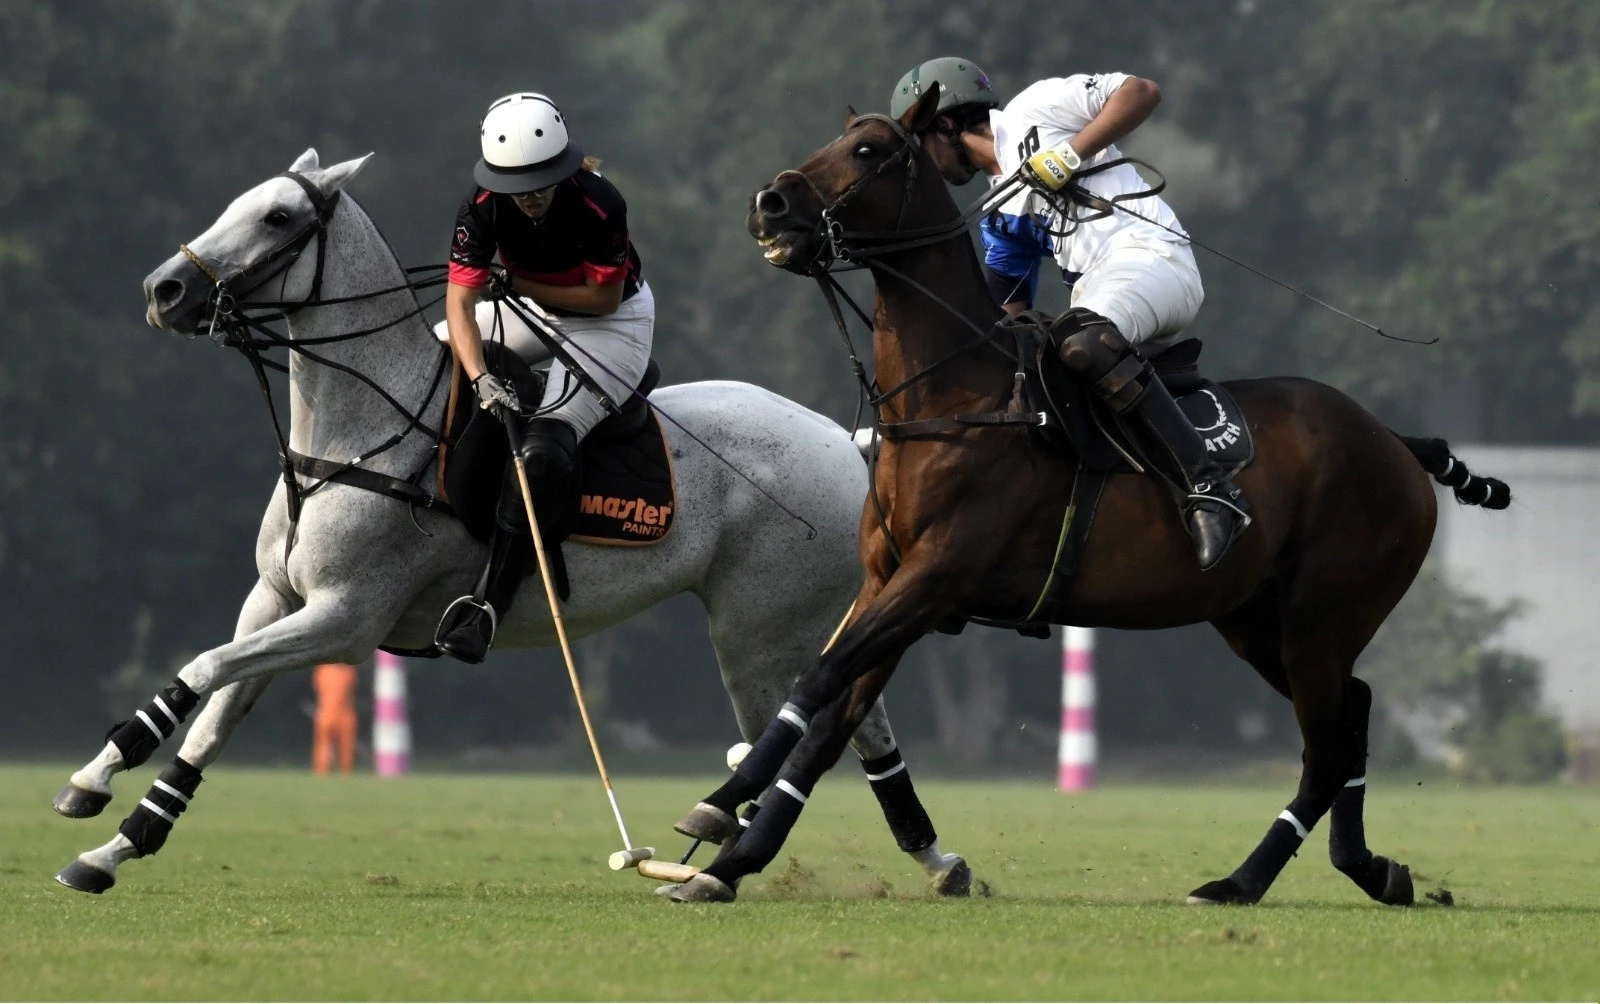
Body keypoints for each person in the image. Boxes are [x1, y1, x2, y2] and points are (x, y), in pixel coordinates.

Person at [888, 59, 1250, 570]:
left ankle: (1211, 488)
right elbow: (1003, 317)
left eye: (918, 147)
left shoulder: (1033, 109)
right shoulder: (998, 214)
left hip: (1150, 259)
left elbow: (1141, 92)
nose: (924, 169)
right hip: (1100, 297)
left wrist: (1069, 154)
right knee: (1033, 372)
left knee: (1080, 339)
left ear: (944, 123)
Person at [434, 92, 653, 661]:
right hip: (526, 308)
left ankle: (487, 606)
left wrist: (519, 285)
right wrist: (481, 378)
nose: (529, 197)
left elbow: (601, 299)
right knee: (429, 360)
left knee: (542, 453)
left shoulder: (600, 202)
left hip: (610, 323)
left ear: (563, 170)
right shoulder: (481, 205)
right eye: (516, 187)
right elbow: (460, 304)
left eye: (541, 182)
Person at [311, 662, 358, 775]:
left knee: (346, 746)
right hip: (327, 712)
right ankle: (322, 772)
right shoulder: (323, 670)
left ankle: (345, 773)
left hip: (342, 714)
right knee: (324, 745)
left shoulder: (347, 671)